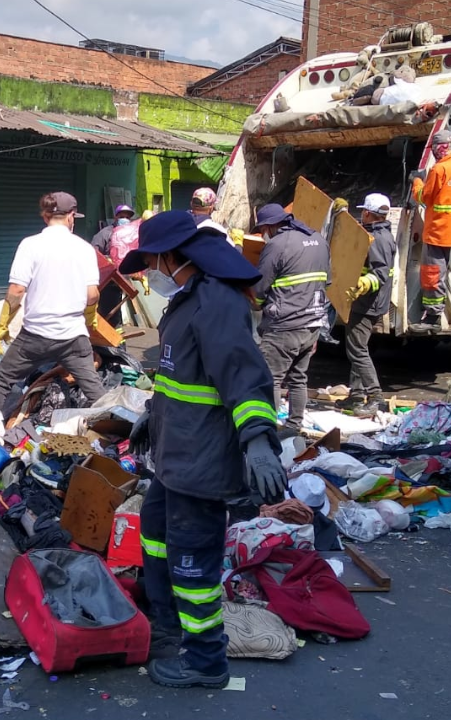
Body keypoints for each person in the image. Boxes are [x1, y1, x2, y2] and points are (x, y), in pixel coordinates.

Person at [120, 211, 285, 689]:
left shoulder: (216, 300)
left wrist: (257, 440)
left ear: (172, 256)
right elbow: (182, 376)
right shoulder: (187, 301)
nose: (149, 271)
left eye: (151, 261)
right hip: (176, 454)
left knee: (192, 559)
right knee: (154, 532)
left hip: (202, 460)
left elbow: (243, 374)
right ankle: (169, 630)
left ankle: (206, 660)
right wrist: (152, 414)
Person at [0, 192, 106, 413]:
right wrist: (89, 318)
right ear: (71, 217)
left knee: (2, 382)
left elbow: (17, 290)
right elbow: (92, 295)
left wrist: (3, 324)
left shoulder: (30, 245)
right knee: (95, 390)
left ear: (45, 216)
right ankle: (121, 434)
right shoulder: (85, 249)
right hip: (73, 337)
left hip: (34, 337)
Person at [252, 203, 330, 432]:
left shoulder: (277, 245)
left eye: (262, 229)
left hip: (283, 326)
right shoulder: (318, 240)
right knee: (298, 378)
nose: (263, 235)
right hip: (312, 324)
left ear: (271, 225)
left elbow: (259, 289)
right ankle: (294, 426)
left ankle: (269, 428)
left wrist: (255, 306)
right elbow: (327, 282)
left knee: (271, 379)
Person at [410, 129, 451, 330]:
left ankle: (433, 318)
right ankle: (435, 313)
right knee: (441, 272)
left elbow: (423, 198)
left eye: (435, 149)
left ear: (440, 148)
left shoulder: (439, 170)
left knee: (432, 274)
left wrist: (417, 181)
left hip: (437, 230)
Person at [343, 193, 398, 415]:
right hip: (369, 301)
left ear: (367, 213)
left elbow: (381, 273)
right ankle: (356, 397)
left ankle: (375, 397)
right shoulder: (379, 233)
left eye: (362, 212)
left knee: (357, 350)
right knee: (358, 347)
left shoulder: (379, 239)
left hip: (368, 303)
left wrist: (363, 284)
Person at [91, 204, 136, 325]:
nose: (125, 219)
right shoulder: (105, 234)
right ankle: (111, 342)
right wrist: (108, 260)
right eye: (122, 216)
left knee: (115, 314)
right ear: (116, 217)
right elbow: (93, 253)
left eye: (128, 217)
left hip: (121, 281)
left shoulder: (130, 236)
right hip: (106, 282)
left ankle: (116, 340)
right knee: (107, 314)